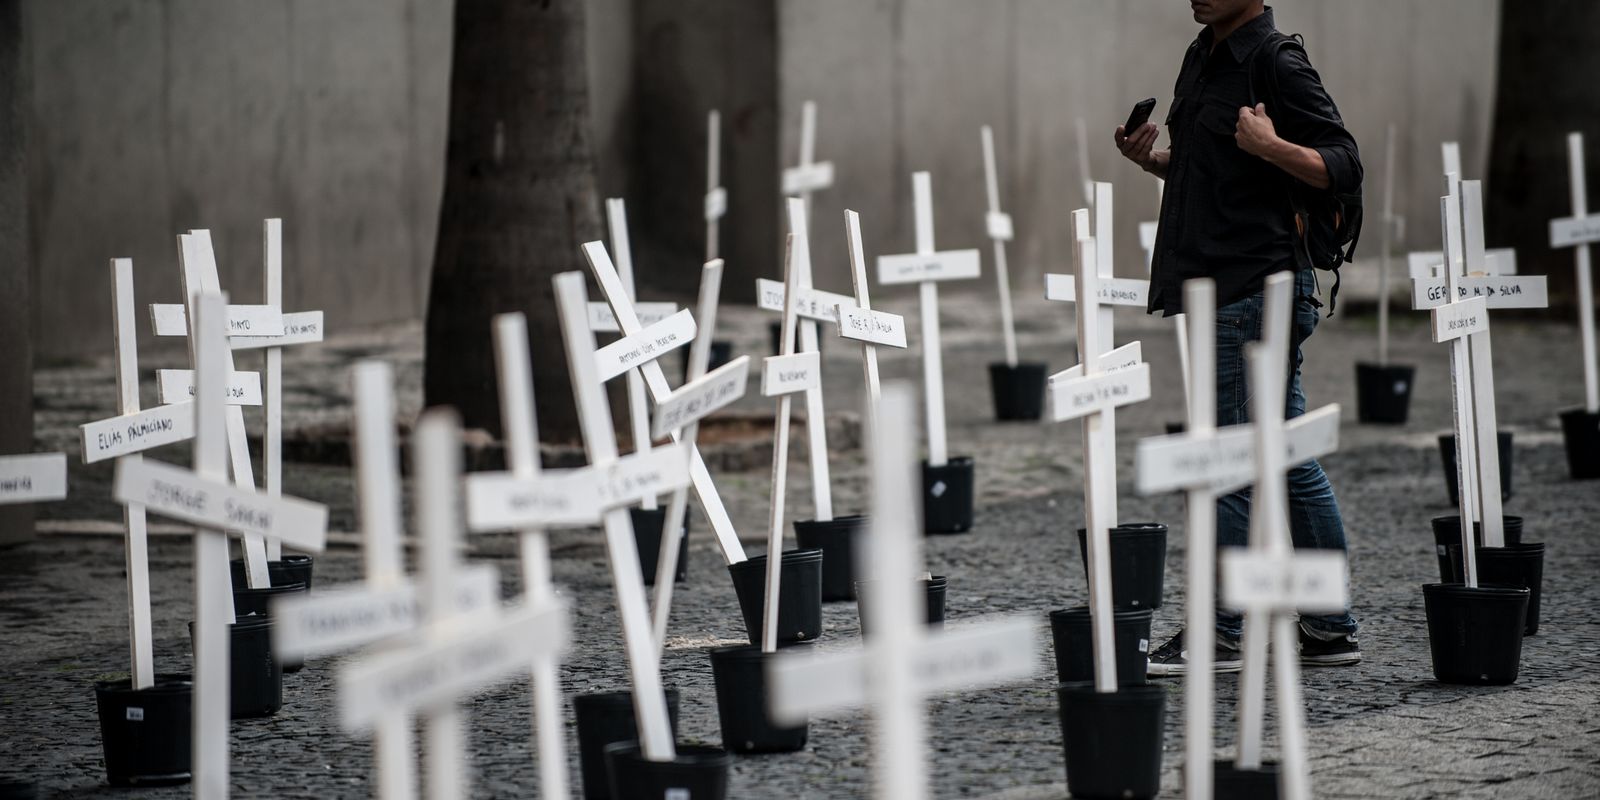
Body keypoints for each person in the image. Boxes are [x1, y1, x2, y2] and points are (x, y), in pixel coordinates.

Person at [1114, 0, 1362, 675]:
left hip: (1255, 289)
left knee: (1230, 462)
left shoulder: (1276, 61)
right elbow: (1217, 174)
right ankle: (1329, 626)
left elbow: (1344, 162)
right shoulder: (1202, 56)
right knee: (1281, 453)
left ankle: (1222, 631)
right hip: (1217, 283)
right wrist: (1155, 160)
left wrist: (1274, 147)